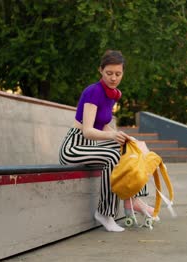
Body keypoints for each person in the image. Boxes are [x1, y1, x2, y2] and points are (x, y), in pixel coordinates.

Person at [59, 50, 152, 232]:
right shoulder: (94, 91)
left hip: (91, 147)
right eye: (109, 73)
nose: (113, 78)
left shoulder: (113, 94)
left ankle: (133, 200)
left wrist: (125, 137)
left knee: (133, 148)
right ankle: (105, 213)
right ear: (100, 70)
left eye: (118, 74)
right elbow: (87, 131)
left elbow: (104, 126)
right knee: (111, 156)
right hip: (74, 147)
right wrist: (112, 136)